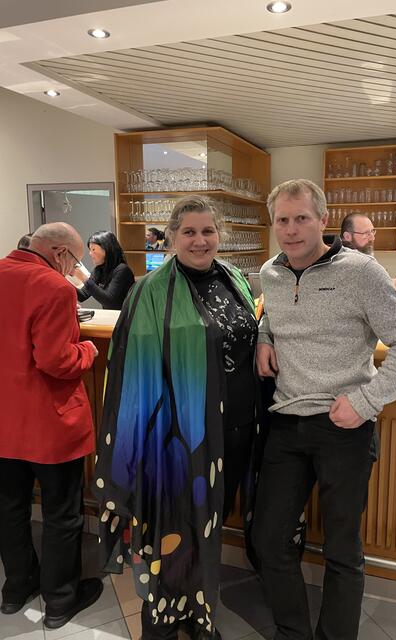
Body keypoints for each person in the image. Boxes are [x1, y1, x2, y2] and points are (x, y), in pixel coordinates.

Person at [252, 180, 396, 640]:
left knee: (342, 550)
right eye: (283, 220)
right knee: (268, 539)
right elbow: (273, 313)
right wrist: (265, 336)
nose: (291, 230)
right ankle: (293, 632)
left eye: (302, 218)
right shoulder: (271, 272)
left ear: (324, 220)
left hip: (344, 426)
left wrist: (366, 402)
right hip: (286, 422)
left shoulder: (361, 272)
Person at [92, 196, 262, 640]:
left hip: (234, 435)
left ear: (219, 235)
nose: (200, 240)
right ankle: (162, 621)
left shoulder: (235, 279)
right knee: (172, 528)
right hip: (177, 438)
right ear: (171, 237)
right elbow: (133, 371)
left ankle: (198, 614)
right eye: (189, 232)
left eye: (208, 231)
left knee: (209, 526)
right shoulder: (149, 290)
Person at [0, 222, 103, 629]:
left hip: (4, 422)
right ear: (60, 253)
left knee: (10, 508)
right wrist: (88, 350)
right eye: (74, 261)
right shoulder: (55, 287)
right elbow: (56, 360)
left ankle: (16, 588)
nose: (72, 269)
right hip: (50, 424)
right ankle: (60, 599)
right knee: (62, 512)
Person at [73, 230, 135, 310]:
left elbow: (109, 301)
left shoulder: (122, 270)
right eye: (90, 250)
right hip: (111, 315)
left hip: (124, 316)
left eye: (93, 249)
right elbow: (83, 295)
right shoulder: (99, 270)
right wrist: (63, 279)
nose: (90, 253)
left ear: (106, 249)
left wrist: (84, 279)